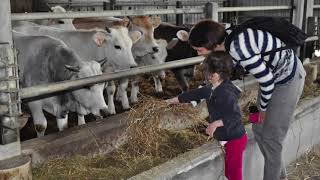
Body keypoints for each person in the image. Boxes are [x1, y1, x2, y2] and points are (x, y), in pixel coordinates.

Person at [187, 19, 306, 180]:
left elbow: (267, 82)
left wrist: (262, 109)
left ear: (211, 45)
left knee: (272, 138)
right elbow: (217, 78)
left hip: (287, 79)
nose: (198, 54)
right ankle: (280, 176)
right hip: (272, 79)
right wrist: (191, 100)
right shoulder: (223, 37)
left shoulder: (237, 48)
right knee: (258, 128)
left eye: (199, 50)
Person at [166, 52, 248, 180]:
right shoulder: (213, 87)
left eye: (209, 72)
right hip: (226, 136)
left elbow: (235, 117)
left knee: (234, 173)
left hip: (234, 139)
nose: (206, 75)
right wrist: (173, 100)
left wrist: (215, 124)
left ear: (218, 74)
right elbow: (195, 94)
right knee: (229, 171)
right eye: (206, 71)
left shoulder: (226, 93)